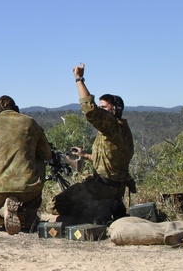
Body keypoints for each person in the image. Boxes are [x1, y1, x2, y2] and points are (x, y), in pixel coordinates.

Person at [53, 63, 135, 225]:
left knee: (58, 203)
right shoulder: (121, 129)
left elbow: (90, 111)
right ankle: (109, 206)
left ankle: (104, 206)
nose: (101, 110)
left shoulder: (112, 127)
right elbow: (111, 159)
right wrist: (85, 155)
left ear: (115, 110)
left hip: (104, 188)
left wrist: (79, 79)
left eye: (105, 107)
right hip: (115, 187)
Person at [0, 95, 52, 234]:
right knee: (38, 159)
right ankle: (27, 213)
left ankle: (1, 214)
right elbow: (47, 155)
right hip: (29, 188)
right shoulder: (30, 122)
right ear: (16, 109)